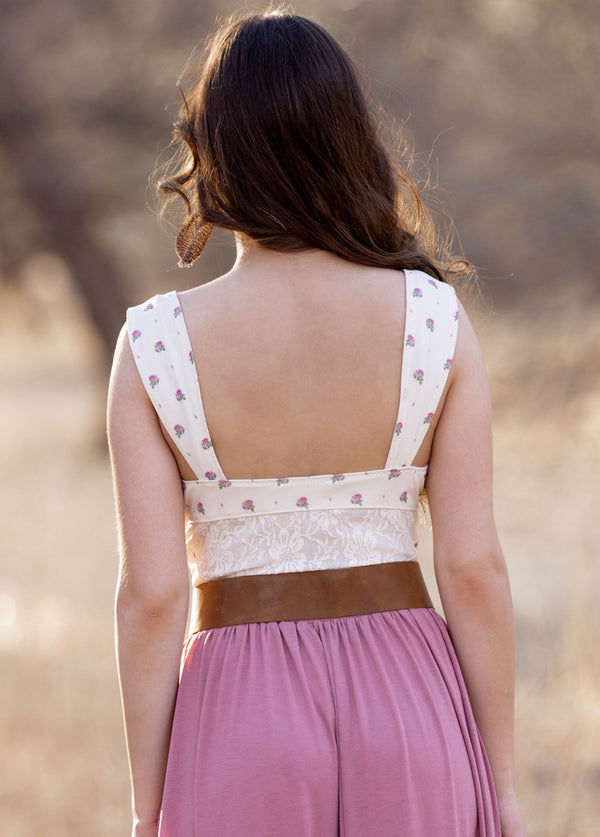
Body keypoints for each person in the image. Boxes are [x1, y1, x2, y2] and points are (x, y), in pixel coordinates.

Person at [107, 9, 527, 837]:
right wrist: (503, 783)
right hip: (413, 705)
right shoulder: (434, 320)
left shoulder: (154, 344)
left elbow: (151, 597)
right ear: (347, 140)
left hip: (238, 718)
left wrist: (146, 808)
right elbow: (473, 568)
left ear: (214, 151)